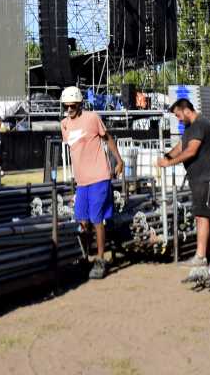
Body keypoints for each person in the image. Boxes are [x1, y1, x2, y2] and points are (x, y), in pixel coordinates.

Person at [59, 85, 124, 279]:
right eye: (66, 106)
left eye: (72, 106)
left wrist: (119, 160)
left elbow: (108, 138)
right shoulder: (64, 124)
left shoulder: (92, 118)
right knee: (82, 221)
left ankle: (100, 259)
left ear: (79, 104)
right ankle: (85, 256)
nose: (69, 110)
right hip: (82, 181)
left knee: (96, 218)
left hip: (99, 176)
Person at [157, 97, 210, 267]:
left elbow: (191, 151)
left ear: (187, 110)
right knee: (204, 214)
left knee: (202, 215)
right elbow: (181, 146)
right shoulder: (190, 128)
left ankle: (200, 257)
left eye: (178, 115)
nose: (178, 119)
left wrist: (170, 163)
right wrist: (167, 156)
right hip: (199, 178)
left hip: (206, 176)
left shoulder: (200, 125)